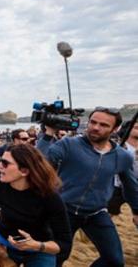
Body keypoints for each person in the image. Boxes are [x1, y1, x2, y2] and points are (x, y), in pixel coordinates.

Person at [37, 107, 138, 267]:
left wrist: (136, 210)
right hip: (64, 210)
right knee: (57, 257)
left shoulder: (122, 156)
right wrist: (48, 134)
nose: (96, 127)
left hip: (96, 213)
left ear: (115, 129)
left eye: (104, 125)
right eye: (93, 122)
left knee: (114, 260)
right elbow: (39, 164)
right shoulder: (69, 144)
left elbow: (130, 185)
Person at [108, 120, 138, 216]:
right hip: (117, 188)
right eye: (136, 127)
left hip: (136, 187)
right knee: (108, 214)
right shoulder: (116, 148)